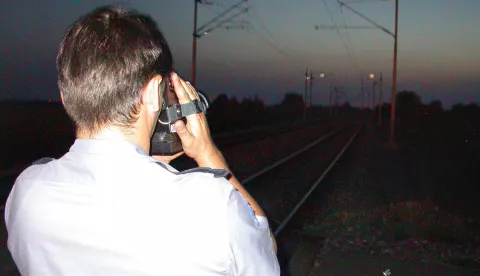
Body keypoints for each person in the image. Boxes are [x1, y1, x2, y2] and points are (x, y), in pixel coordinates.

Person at [4, 5, 279, 275]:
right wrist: (209, 154)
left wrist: (147, 161)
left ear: (66, 99)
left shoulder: (26, 194)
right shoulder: (212, 205)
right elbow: (265, 252)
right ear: (151, 94)